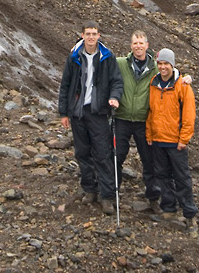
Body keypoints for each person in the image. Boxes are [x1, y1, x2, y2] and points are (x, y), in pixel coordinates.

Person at [59, 21, 123, 214]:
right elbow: (66, 84)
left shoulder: (107, 57)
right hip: (78, 113)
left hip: (99, 112)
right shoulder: (74, 57)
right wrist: (63, 112)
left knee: (103, 154)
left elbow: (117, 82)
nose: (91, 37)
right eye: (88, 34)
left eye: (94, 34)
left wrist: (114, 97)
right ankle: (89, 189)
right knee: (82, 153)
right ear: (82, 35)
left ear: (99, 35)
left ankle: (107, 196)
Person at [145, 48, 198, 235]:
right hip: (158, 140)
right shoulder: (154, 83)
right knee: (162, 176)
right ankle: (168, 209)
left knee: (182, 178)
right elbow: (151, 112)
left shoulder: (182, 86)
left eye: (166, 64)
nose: (162, 67)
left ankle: (190, 215)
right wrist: (150, 135)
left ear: (172, 65)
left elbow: (189, 115)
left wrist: (184, 139)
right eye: (160, 64)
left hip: (176, 142)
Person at [115, 30, 160, 212]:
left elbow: (172, 75)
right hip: (122, 118)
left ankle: (154, 198)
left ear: (147, 46)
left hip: (144, 121)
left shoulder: (156, 68)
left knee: (149, 160)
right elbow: (99, 61)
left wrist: (186, 77)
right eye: (135, 43)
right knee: (116, 156)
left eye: (141, 43)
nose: (138, 46)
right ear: (131, 45)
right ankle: (111, 194)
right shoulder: (120, 63)